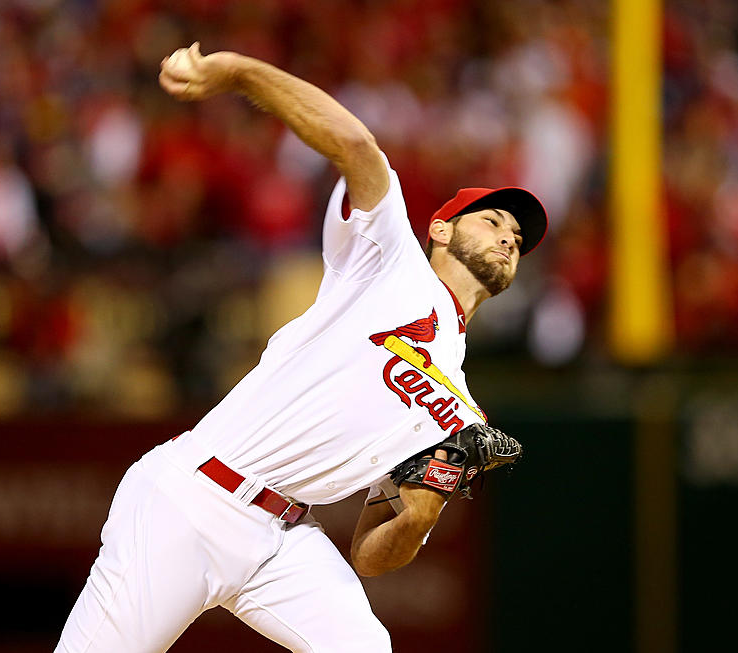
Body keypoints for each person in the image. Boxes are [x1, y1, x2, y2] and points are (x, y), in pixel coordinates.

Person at [56, 42, 547, 653]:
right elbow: (356, 147)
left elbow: (370, 554)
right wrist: (237, 73)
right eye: (492, 221)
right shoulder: (390, 262)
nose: (508, 238)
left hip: (285, 536)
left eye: (518, 237)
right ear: (440, 229)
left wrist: (426, 510)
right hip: (195, 499)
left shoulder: (462, 409)